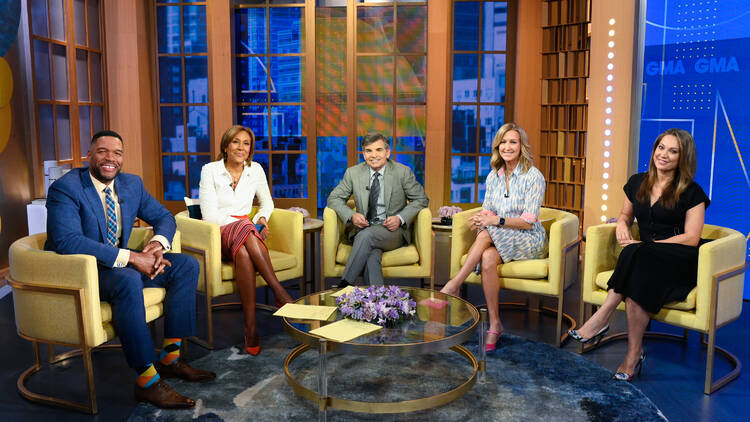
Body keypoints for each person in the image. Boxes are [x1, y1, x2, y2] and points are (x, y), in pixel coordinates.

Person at [45, 130, 215, 409]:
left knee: (184, 264)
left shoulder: (131, 184)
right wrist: (134, 258)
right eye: (102, 151)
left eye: (117, 153)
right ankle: (147, 382)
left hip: (121, 266)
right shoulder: (66, 188)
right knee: (126, 279)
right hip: (84, 272)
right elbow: (68, 241)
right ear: (89, 155)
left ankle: (171, 358)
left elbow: (163, 216)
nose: (110, 158)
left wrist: (157, 245)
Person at [569, 128, 710, 381]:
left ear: (683, 157)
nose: (664, 154)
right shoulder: (637, 182)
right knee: (635, 288)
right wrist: (622, 225)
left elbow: (692, 238)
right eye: (661, 147)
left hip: (680, 259)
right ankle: (632, 356)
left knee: (637, 250)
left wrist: (650, 245)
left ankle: (602, 316)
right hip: (645, 260)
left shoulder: (692, 192)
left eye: (673, 151)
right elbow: (625, 216)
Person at [440, 123, 546, 351]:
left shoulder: (533, 176)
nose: (507, 147)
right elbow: (489, 208)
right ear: (497, 146)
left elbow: (528, 223)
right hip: (501, 236)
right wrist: (482, 216)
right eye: (503, 142)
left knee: (487, 231)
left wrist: (492, 221)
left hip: (528, 239)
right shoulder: (494, 176)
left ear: (521, 146)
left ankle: (453, 285)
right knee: (487, 258)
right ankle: (495, 324)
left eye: (513, 142)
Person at [199, 125, 294, 356]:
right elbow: (210, 215)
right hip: (217, 233)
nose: (241, 147)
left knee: (243, 253)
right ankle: (280, 293)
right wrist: (248, 224)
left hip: (243, 237)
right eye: (235, 142)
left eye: (246, 143)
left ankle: (250, 328)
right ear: (225, 146)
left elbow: (267, 203)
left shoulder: (256, 170)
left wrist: (262, 217)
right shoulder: (209, 170)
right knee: (245, 227)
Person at [327, 131, 428, 286]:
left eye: (378, 150)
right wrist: (351, 216)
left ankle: (345, 284)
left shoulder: (402, 172)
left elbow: (421, 199)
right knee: (371, 255)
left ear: (388, 152)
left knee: (366, 237)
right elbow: (333, 198)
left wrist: (400, 218)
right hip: (363, 229)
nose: (373, 155)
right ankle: (377, 301)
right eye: (368, 150)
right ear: (363, 153)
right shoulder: (353, 173)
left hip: (392, 232)